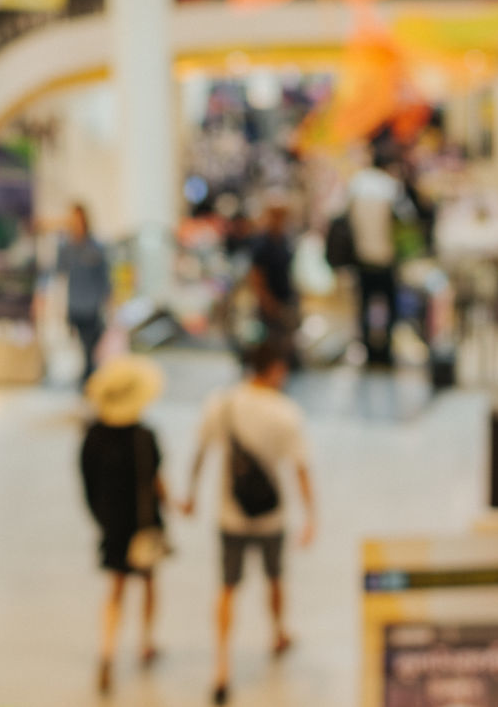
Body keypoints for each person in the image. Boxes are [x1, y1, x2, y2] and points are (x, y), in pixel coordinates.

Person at [182, 342, 317, 705]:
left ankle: (222, 666)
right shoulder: (286, 413)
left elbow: (200, 451)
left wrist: (191, 494)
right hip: (271, 516)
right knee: (275, 579)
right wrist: (311, 516)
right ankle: (277, 633)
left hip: (231, 514)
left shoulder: (222, 404)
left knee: (227, 587)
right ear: (273, 369)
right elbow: (301, 469)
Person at [79, 355, 169, 694]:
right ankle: (146, 641)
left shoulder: (93, 437)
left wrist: (101, 517)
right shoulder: (144, 436)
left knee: (115, 589)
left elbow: (86, 483)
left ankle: (107, 652)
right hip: (145, 522)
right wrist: (175, 504)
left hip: (112, 522)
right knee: (148, 581)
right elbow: (156, 479)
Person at [347, 148, 407, 366]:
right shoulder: (390, 186)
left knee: (364, 304)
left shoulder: (356, 183)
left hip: (362, 257)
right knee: (389, 305)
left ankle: (368, 349)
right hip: (386, 257)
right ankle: (386, 349)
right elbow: (404, 219)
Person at [55, 203, 112, 387]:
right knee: (82, 345)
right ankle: (89, 376)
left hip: (92, 305)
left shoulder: (96, 247)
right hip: (75, 304)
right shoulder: (67, 247)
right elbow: (58, 271)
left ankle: (90, 378)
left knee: (91, 345)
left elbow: (104, 279)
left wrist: (109, 302)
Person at [248, 200, 298, 358]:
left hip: (285, 297)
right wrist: (266, 301)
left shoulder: (284, 240)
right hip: (269, 299)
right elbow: (256, 275)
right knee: (269, 343)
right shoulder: (262, 243)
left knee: (285, 342)